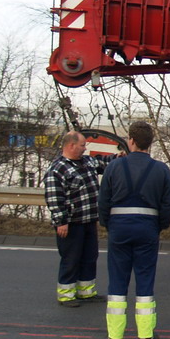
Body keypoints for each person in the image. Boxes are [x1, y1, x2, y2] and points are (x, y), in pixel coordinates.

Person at [98, 121, 170, 339]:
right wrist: (159, 226)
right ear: (150, 143)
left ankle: (115, 337)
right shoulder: (161, 170)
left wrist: (108, 224)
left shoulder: (114, 167)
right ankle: (145, 335)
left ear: (130, 140)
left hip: (119, 227)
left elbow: (103, 201)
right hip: (147, 228)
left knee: (117, 281)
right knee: (145, 280)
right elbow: (167, 204)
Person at [44, 131, 115, 307]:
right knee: (71, 258)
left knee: (90, 256)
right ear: (71, 145)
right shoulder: (57, 169)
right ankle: (66, 295)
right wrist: (61, 222)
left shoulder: (87, 162)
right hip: (72, 223)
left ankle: (86, 292)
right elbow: (54, 198)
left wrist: (123, 156)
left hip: (89, 219)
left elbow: (106, 163)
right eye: (83, 145)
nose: (85, 148)